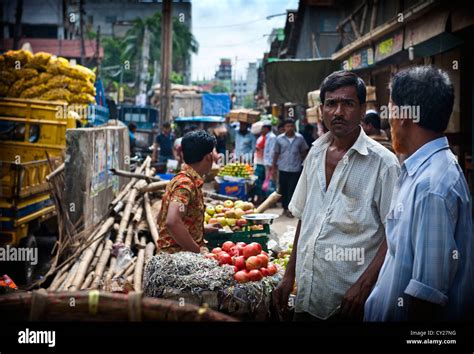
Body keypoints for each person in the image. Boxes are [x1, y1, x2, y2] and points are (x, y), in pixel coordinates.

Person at [272, 70, 400, 321]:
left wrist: (363, 286)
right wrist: (289, 275)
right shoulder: (315, 153)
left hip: (350, 303)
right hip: (307, 297)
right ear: (322, 110)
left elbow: (394, 234)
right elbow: (304, 218)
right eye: (331, 103)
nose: (338, 112)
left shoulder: (384, 164)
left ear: (363, 109)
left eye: (348, 103)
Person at [364, 66, 473, 321]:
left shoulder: (431, 185)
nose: (387, 120)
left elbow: (427, 297)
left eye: (390, 109)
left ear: (404, 115)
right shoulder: (421, 171)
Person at [156, 130, 221, 253]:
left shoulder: (186, 179)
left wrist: (202, 229)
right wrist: (198, 251)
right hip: (177, 259)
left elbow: (164, 219)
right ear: (208, 157)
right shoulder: (185, 184)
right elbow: (172, 221)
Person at [272, 119, 308, 218]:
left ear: (294, 127)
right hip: (283, 168)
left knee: (292, 189)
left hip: (295, 168)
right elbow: (276, 153)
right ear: (284, 128)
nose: (290, 128)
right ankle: (284, 207)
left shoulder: (300, 138)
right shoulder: (279, 139)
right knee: (283, 188)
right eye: (288, 126)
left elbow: (304, 152)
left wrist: (304, 163)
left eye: (292, 126)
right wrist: (274, 167)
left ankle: (290, 209)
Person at [263, 121, 276, 194]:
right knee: (268, 180)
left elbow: (272, 151)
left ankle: (271, 197)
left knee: (271, 181)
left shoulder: (272, 137)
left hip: (270, 163)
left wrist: (271, 164)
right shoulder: (268, 136)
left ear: (266, 128)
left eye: (263, 128)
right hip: (267, 163)